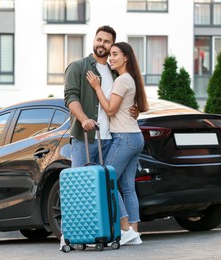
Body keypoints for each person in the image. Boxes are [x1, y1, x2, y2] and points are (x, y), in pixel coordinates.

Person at [62, 26, 138, 250]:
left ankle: (111, 231)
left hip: (111, 139)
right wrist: (84, 118)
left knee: (105, 186)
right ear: (94, 40)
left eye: (107, 42)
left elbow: (124, 100)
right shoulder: (79, 67)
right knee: (79, 188)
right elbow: (70, 97)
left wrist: (135, 110)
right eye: (99, 39)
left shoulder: (115, 71)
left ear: (112, 45)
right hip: (85, 138)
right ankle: (69, 236)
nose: (102, 44)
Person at [86, 41, 149, 246]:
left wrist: (96, 87)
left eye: (115, 54)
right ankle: (134, 232)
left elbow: (110, 110)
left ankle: (124, 229)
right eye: (110, 54)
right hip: (135, 137)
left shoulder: (122, 80)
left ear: (126, 57)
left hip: (124, 137)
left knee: (107, 180)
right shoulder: (131, 79)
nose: (111, 58)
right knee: (128, 187)